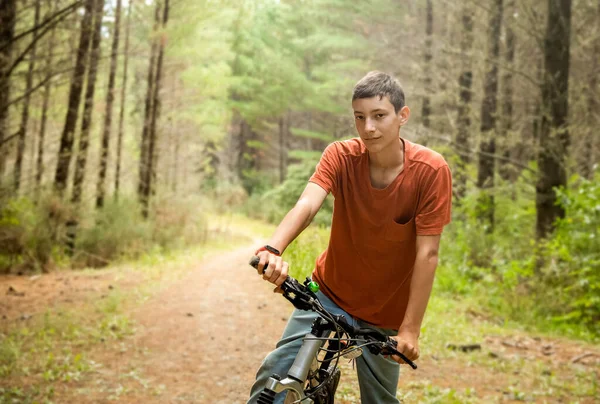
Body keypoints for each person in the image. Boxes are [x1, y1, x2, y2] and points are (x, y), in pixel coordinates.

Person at [248, 71, 452, 403]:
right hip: (329, 293)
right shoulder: (341, 156)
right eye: (360, 117)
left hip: (385, 313)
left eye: (379, 116)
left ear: (403, 116)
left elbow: (427, 255)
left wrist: (410, 330)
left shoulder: (431, 171)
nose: (368, 127)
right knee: (274, 374)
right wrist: (273, 247)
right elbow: (308, 203)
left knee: (379, 399)